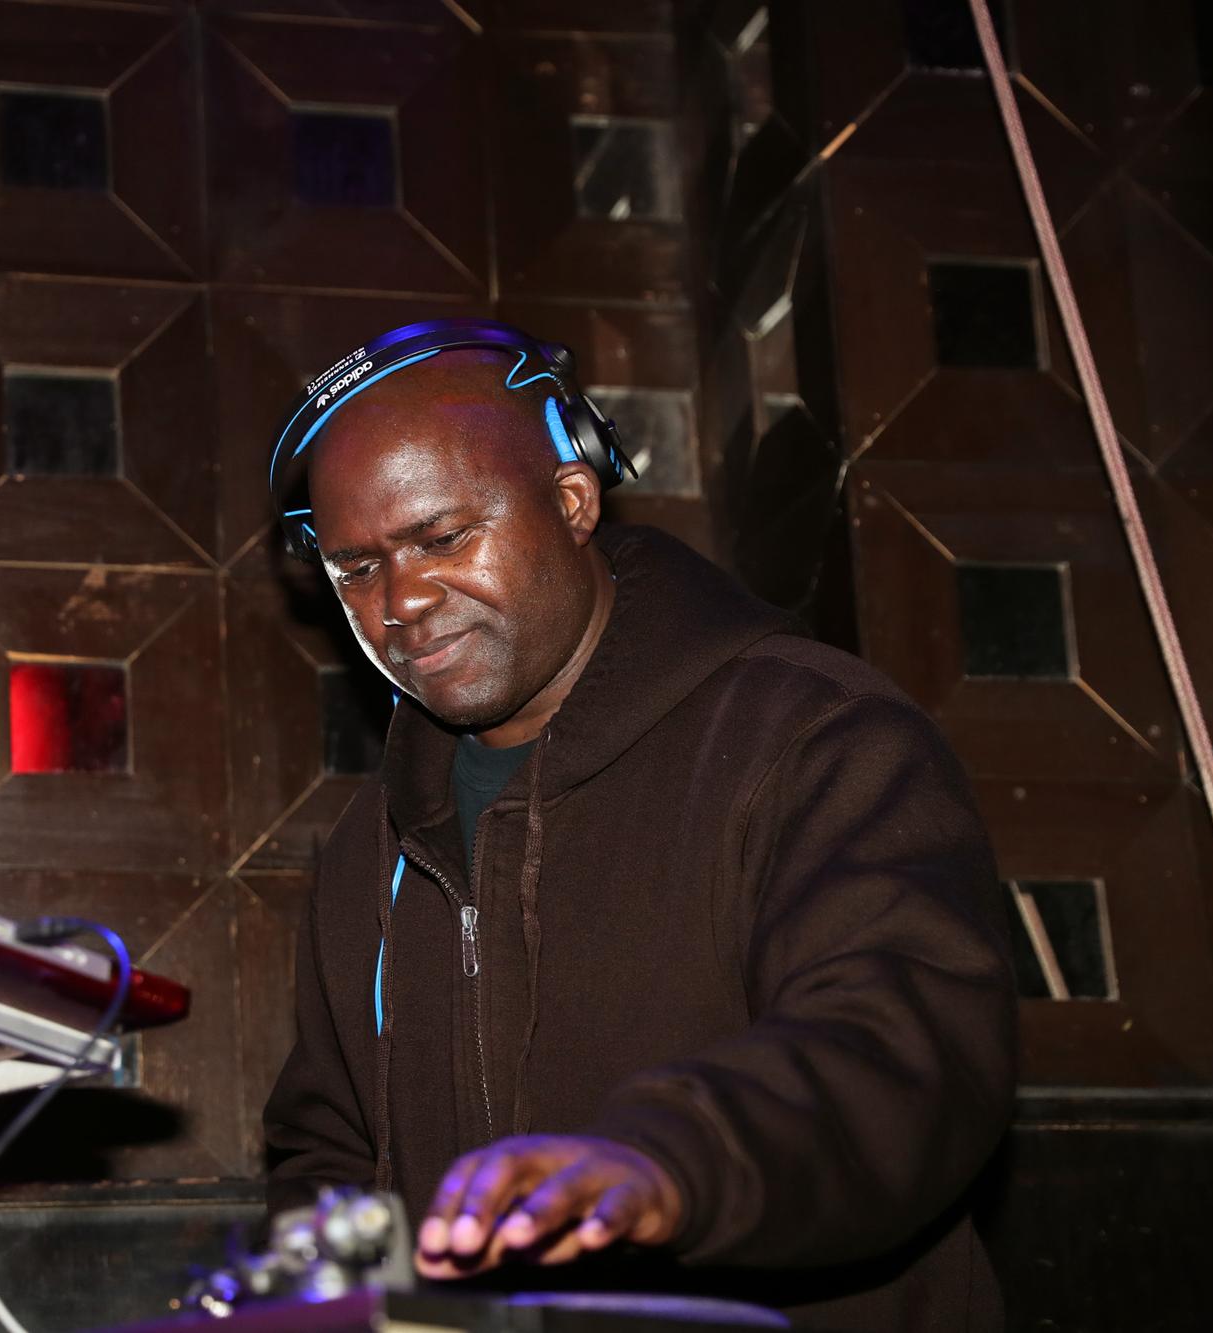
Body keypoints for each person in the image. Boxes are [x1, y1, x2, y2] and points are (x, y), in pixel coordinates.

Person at [261, 320, 1016, 1330]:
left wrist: (664, 1163)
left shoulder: (812, 737)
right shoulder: (370, 848)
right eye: (355, 568)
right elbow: (327, 1146)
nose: (399, 599)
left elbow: (900, 1053)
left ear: (571, 500)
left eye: (440, 538)